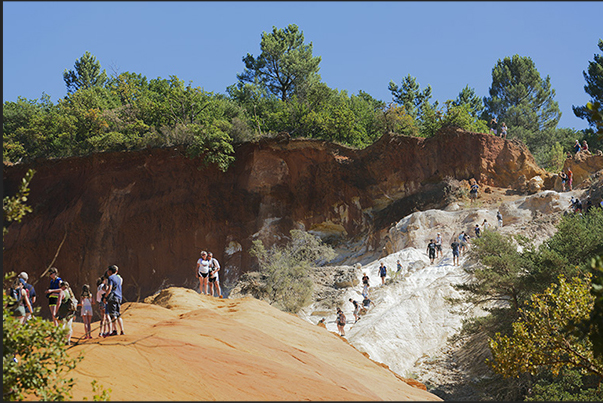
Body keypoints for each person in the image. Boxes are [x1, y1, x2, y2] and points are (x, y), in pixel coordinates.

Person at [104, 265, 125, 336]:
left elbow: (109, 288)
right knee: (118, 314)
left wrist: (105, 297)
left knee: (113, 315)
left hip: (113, 297)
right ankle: (122, 330)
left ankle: (115, 330)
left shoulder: (110, 278)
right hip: (119, 297)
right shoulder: (119, 278)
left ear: (110, 271)